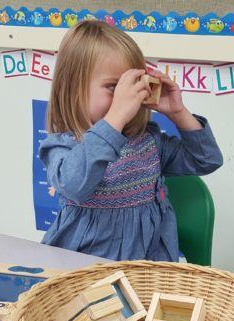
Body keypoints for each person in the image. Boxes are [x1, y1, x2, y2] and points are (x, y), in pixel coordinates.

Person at [39, 20, 222, 261]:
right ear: (72, 89)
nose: (127, 98)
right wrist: (115, 117)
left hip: (146, 270)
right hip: (86, 270)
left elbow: (206, 160)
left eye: (132, 86)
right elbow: (75, 185)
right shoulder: (63, 146)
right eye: (113, 87)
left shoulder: (148, 142)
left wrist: (178, 113)